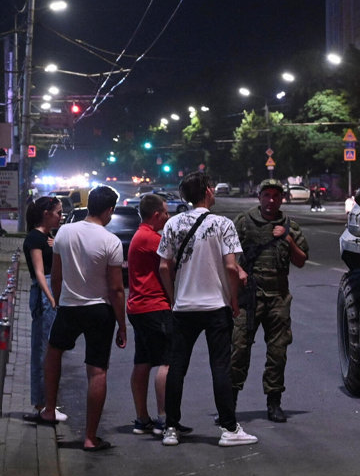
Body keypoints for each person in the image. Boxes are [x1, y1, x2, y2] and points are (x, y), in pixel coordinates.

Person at [157, 172, 257, 447]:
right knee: (220, 367)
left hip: (183, 307)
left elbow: (164, 266)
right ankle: (229, 429)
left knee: (177, 367)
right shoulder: (223, 224)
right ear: (207, 191)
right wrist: (234, 300)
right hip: (215, 307)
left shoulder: (173, 224)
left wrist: (174, 296)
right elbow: (229, 266)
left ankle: (171, 428)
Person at [39, 185, 127, 452]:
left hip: (69, 306)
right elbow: (116, 289)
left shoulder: (65, 231)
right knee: (97, 370)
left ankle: (49, 410)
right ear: (109, 210)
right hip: (99, 310)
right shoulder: (110, 241)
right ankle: (90, 437)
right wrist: (122, 325)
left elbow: (57, 274)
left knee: (54, 353)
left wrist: (57, 300)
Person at [231, 178, 308, 423]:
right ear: (259, 196)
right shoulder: (244, 222)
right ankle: (228, 404)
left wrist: (288, 239)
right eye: (267, 195)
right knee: (238, 349)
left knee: (277, 353)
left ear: (282, 199)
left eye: (276, 196)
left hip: (278, 298)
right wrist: (238, 274)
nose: (271, 200)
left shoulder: (289, 226)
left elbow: (301, 260)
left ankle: (274, 402)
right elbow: (226, 253)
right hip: (249, 297)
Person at [126, 193, 172, 435]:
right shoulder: (152, 239)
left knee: (142, 361)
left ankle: (142, 418)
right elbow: (171, 264)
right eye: (165, 212)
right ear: (156, 215)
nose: (168, 216)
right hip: (155, 306)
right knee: (167, 361)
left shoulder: (139, 236)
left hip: (137, 307)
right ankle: (164, 419)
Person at [21, 196, 68, 424]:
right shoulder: (34, 238)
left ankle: (47, 402)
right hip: (43, 292)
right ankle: (42, 404)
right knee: (43, 349)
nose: (61, 216)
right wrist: (51, 298)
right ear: (46, 213)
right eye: (58, 212)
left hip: (50, 290)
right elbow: (39, 272)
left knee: (49, 348)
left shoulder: (47, 237)